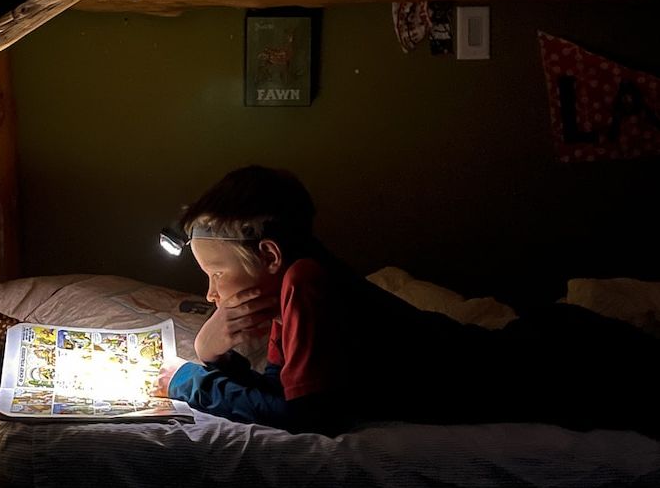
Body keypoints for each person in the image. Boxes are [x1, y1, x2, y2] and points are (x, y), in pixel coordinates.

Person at [158, 165, 658, 439]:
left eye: (216, 272)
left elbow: (309, 416)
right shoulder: (297, 280)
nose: (211, 292)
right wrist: (210, 354)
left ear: (268, 254)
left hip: (543, 365)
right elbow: (281, 391)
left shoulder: (307, 282)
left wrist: (192, 381)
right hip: (530, 350)